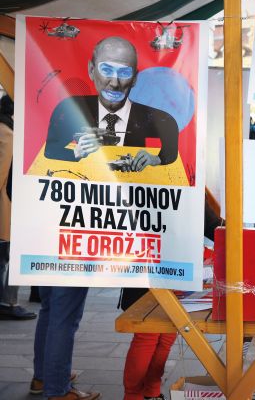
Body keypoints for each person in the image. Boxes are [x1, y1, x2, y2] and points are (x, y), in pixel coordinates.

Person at [120, 196, 222, 400]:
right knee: (148, 334)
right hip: (146, 264)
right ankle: (133, 396)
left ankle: (152, 392)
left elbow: (211, 224)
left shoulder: (188, 184)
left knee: (166, 334)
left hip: (177, 267)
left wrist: (240, 233)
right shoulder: (142, 181)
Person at [44, 37, 179, 172]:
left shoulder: (155, 118)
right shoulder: (70, 108)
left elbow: (170, 140)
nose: (114, 83)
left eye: (124, 73)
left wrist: (155, 159)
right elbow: (50, 151)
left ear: (134, 79)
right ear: (92, 70)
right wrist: (76, 152)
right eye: (107, 70)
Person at [0, 95, 37, 320]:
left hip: (10, 201)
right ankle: (8, 302)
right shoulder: (7, 131)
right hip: (8, 204)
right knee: (9, 254)